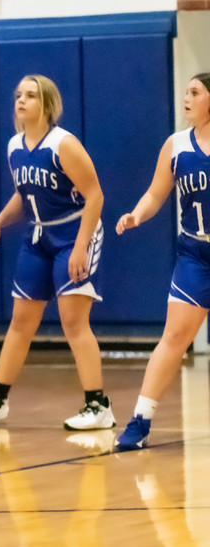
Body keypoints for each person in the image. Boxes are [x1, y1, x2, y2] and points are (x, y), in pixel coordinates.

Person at [0, 75, 113, 430]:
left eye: (30, 96)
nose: (21, 100)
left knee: (73, 321)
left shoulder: (63, 144)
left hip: (75, 232)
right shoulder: (14, 146)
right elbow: (25, 194)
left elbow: (95, 195)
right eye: (18, 94)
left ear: (47, 105)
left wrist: (81, 246)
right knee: (21, 321)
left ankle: (98, 406)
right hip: (39, 235)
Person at [114, 72, 210, 450]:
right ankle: (140, 421)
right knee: (173, 338)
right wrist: (137, 214)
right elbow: (155, 194)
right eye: (185, 91)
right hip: (195, 253)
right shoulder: (175, 145)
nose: (186, 98)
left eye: (195, 92)